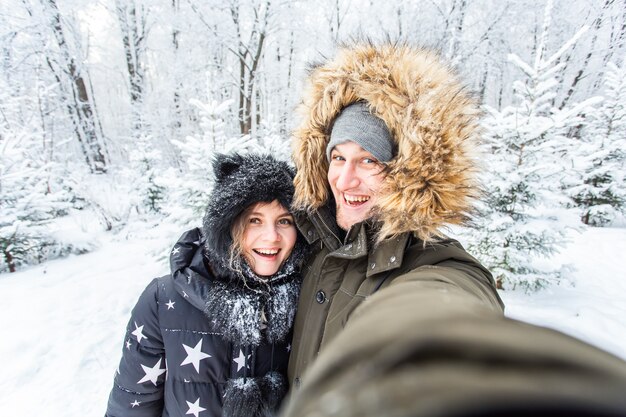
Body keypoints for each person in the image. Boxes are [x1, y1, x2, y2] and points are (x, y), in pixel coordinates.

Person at [281, 42, 626, 416]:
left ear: (405, 171)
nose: (345, 180)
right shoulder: (304, 238)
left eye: (369, 160)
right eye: (338, 157)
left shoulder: (438, 264)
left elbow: (435, 307)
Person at [105, 153, 307, 417]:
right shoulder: (163, 300)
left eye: (284, 221)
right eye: (254, 220)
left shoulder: (306, 299)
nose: (271, 236)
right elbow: (130, 407)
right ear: (225, 225)